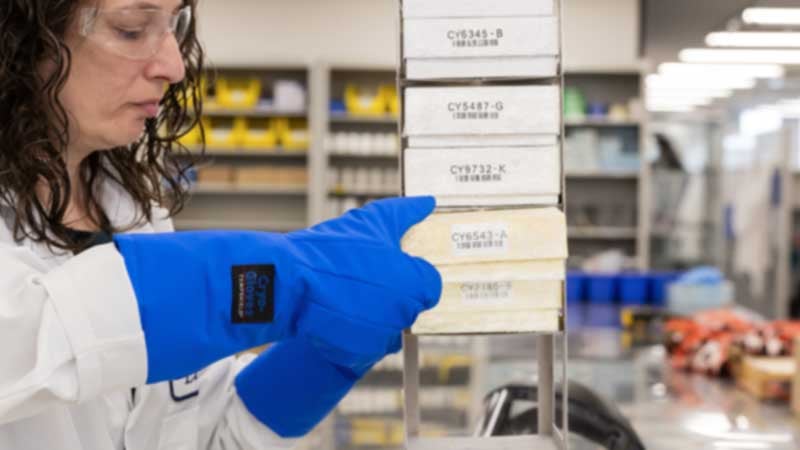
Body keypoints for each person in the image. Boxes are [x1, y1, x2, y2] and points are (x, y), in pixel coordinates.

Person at [0, 1, 441, 449]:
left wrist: (317, 364)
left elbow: (196, 429)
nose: (174, 66)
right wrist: (266, 278)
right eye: (131, 29)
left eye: (175, 26)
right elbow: (28, 337)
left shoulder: (133, 209)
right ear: (20, 37)